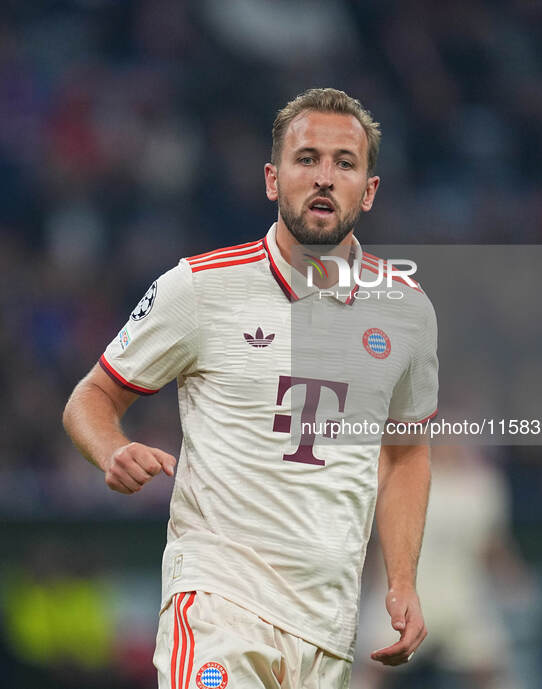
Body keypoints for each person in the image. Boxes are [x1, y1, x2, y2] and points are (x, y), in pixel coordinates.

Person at [63, 88, 438, 689]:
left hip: (327, 626)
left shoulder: (408, 311)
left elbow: (405, 452)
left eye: (344, 163)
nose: (324, 177)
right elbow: (92, 398)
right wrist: (112, 449)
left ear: (368, 191)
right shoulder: (199, 288)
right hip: (217, 604)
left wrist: (401, 581)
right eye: (306, 158)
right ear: (272, 178)